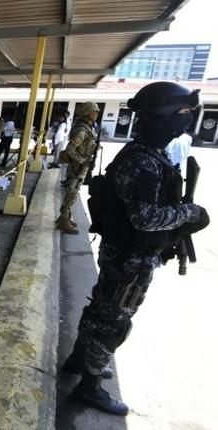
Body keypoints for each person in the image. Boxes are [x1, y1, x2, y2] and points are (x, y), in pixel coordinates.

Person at [63, 81, 210, 415]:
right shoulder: (143, 162)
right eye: (183, 113)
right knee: (114, 320)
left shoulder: (146, 155)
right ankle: (91, 384)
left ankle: (79, 360)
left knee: (102, 308)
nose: (186, 119)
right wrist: (189, 214)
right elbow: (145, 218)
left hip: (123, 252)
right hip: (131, 257)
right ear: (164, 116)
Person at [55, 103, 100, 234]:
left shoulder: (88, 127)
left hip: (81, 166)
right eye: (94, 111)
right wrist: (84, 160)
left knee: (73, 191)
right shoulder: (82, 129)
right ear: (87, 112)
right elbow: (70, 149)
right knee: (72, 192)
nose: (96, 114)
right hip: (78, 166)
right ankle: (64, 219)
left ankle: (64, 217)